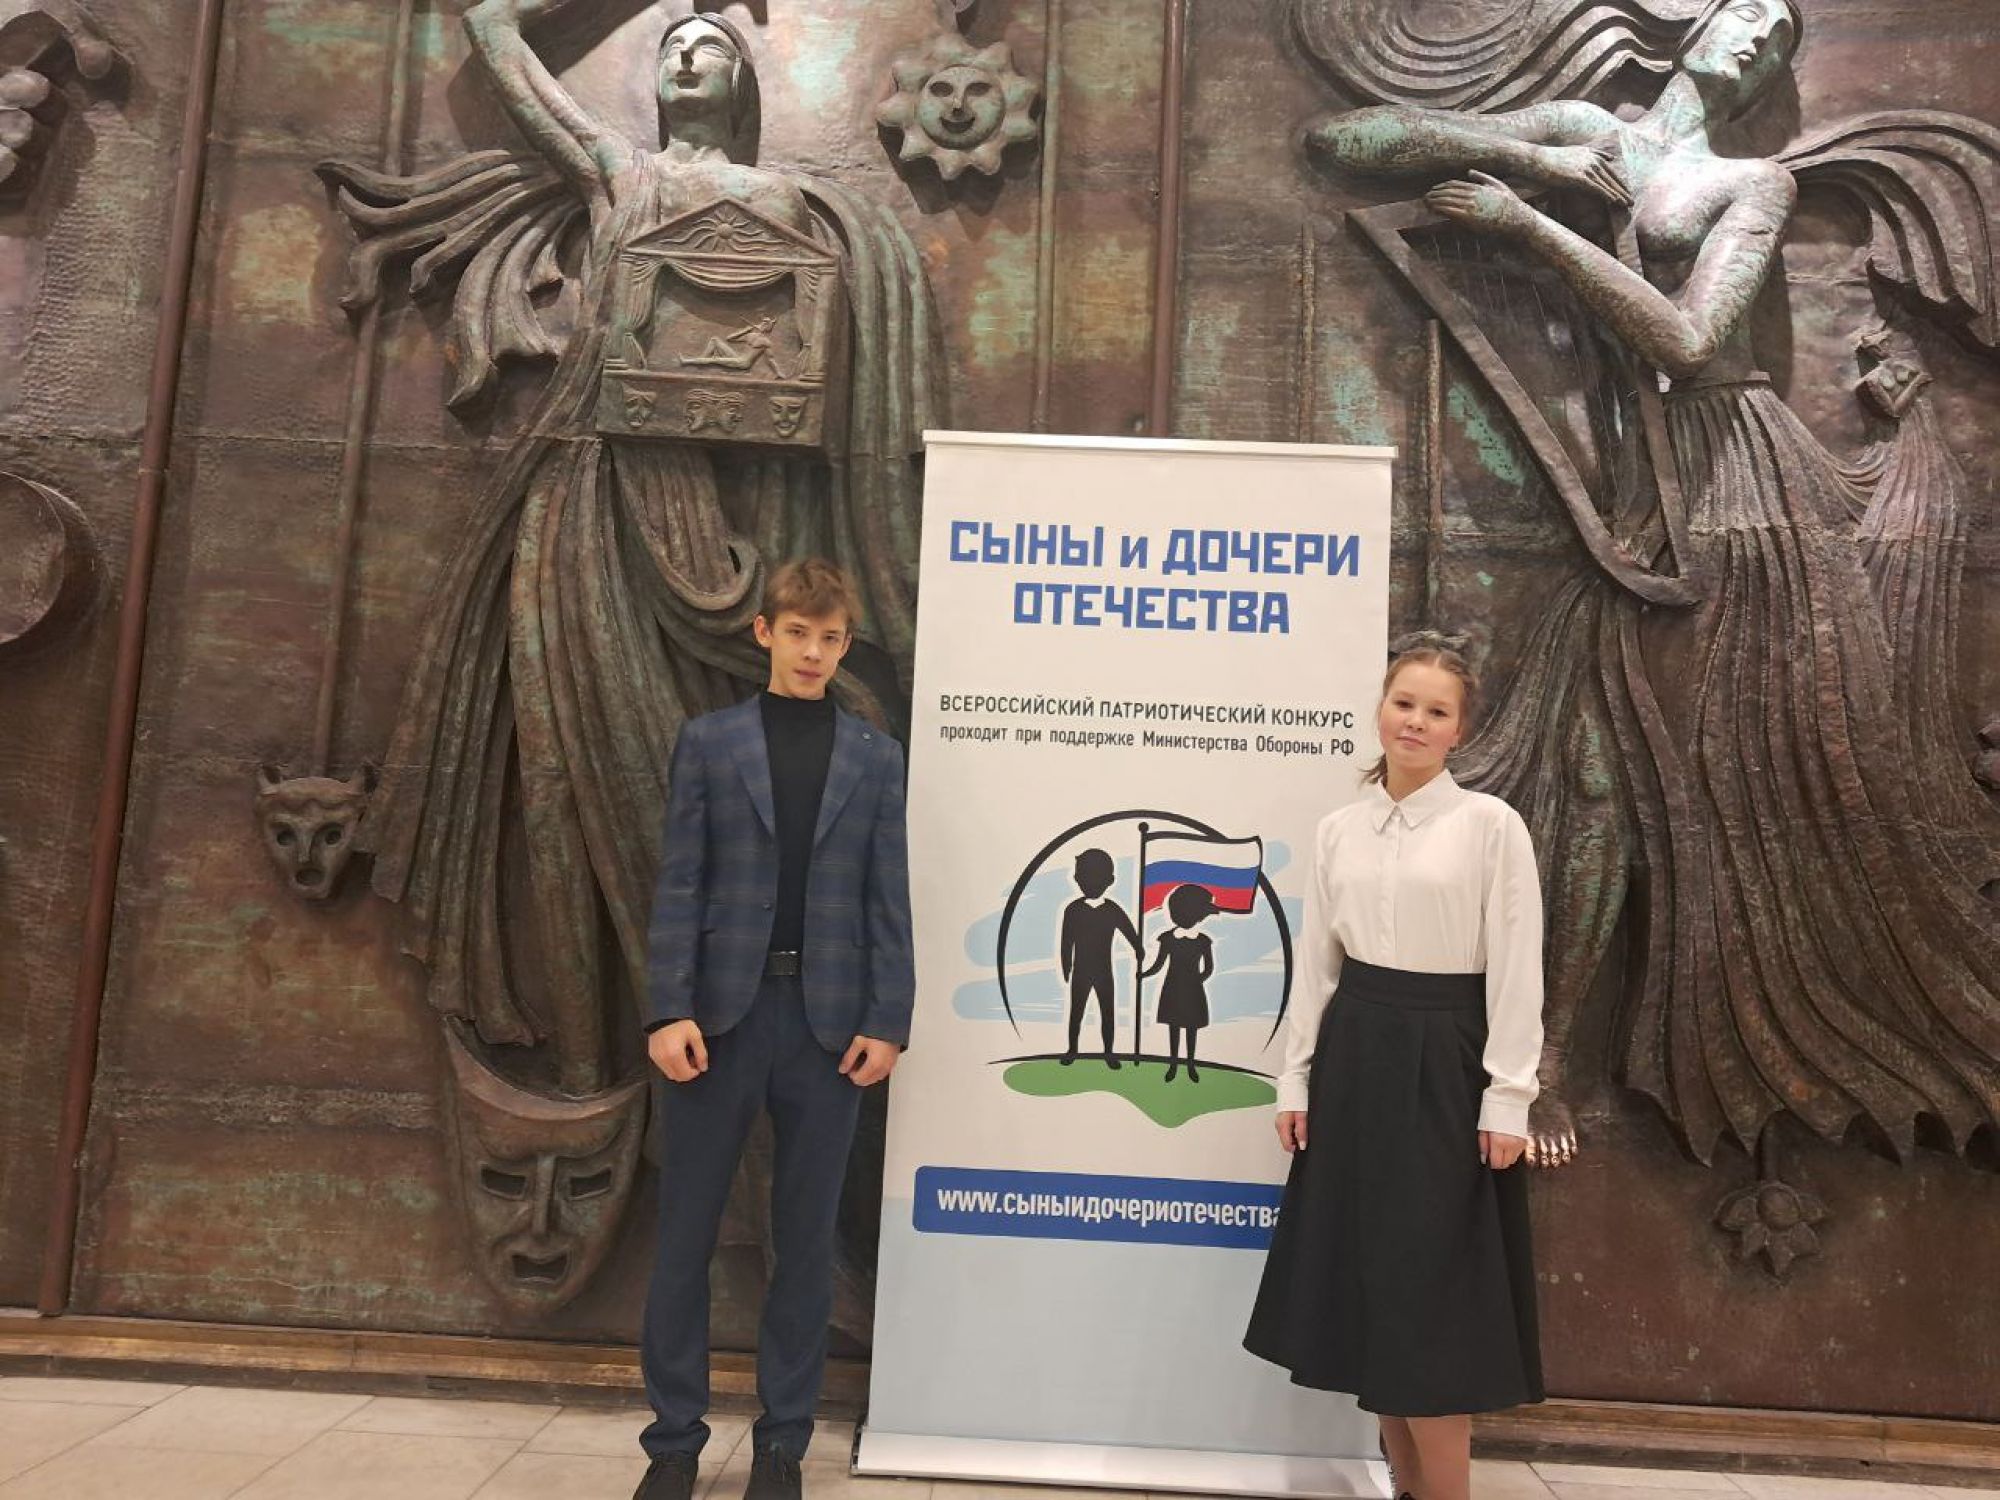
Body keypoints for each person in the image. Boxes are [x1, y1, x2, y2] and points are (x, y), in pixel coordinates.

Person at [636, 559, 914, 1500]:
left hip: (828, 1030)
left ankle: (782, 1445)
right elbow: (681, 882)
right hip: (718, 1020)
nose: (813, 652)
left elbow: (887, 895)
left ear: (844, 646)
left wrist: (888, 1017)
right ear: (764, 633)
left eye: (830, 639)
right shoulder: (710, 744)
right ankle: (673, 1443)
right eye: (798, 633)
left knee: (805, 1244)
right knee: (684, 1237)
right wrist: (667, 1007)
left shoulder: (875, 758)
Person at [1245, 640, 1545, 1500]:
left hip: (1447, 1064)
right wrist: (1296, 1080)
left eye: (1436, 711)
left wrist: (1508, 1099)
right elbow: (1318, 967)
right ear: (1381, 709)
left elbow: (1518, 966)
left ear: (1460, 731)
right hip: (1354, 1062)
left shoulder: (1491, 827)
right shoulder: (1339, 830)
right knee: (1374, 1294)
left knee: (1430, 1309)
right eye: (1404, 703)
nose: (1416, 721)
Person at [1058, 848, 1140, 1069]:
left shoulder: (1112, 910)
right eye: (1084, 877)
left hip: (1104, 972)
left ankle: (1109, 1052)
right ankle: (1072, 1049)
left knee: (1107, 1013)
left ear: (1109, 881)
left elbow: (1128, 930)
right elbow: (1066, 941)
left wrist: (1138, 948)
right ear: (1077, 879)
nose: (1089, 883)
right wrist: (1066, 965)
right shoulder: (1073, 910)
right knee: (1077, 1012)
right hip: (1081, 971)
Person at [1141, 883, 1218, 1082]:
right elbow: (1159, 964)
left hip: (1193, 991)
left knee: (1191, 1030)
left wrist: (1196, 981)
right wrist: (1143, 974)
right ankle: (1173, 1064)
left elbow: (1208, 968)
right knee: (1173, 1028)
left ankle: (1191, 1064)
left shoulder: (1203, 941)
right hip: (1172, 989)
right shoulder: (1167, 939)